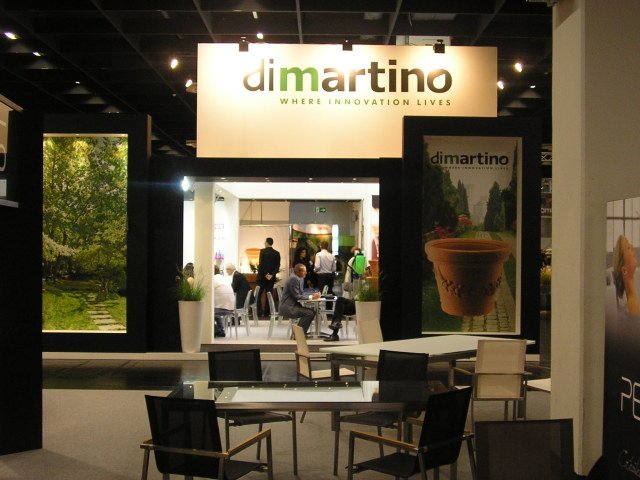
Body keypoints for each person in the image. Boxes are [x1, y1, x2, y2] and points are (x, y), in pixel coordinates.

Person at [279, 263, 320, 334]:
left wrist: (312, 296)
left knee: (312, 312)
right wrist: (311, 297)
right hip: (288, 307)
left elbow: (301, 293)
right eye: (304, 271)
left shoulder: (299, 278)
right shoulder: (294, 279)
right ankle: (298, 334)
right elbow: (297, 296)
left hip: (293, 306)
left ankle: (299, 333)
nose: (306, 273)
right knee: (309, 313)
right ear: (298, 271)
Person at [613, 234, 640, 316]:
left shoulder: (632, 302)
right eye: (628, 247)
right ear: (624, 270)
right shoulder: (633, 306)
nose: (632, 247)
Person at [257, 237, 281, 317]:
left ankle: (259, 312)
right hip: (271, 278)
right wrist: (271, 275)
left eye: (265, 242)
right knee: (269, 295)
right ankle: (267, 312)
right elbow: (277, 266)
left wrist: (266, 274)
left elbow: (261, 265)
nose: (264, 243)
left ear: (267, 243)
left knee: (258, 294)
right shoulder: (277, 253)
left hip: (262, 277)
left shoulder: (262, 251)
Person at [213, 265, 235, 337]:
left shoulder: (213, 279)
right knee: (214, 311)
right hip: (231, 308)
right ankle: (221, 330)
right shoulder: (223, 278)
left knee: (207, 312)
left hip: (222, 308)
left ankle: (216, 330)